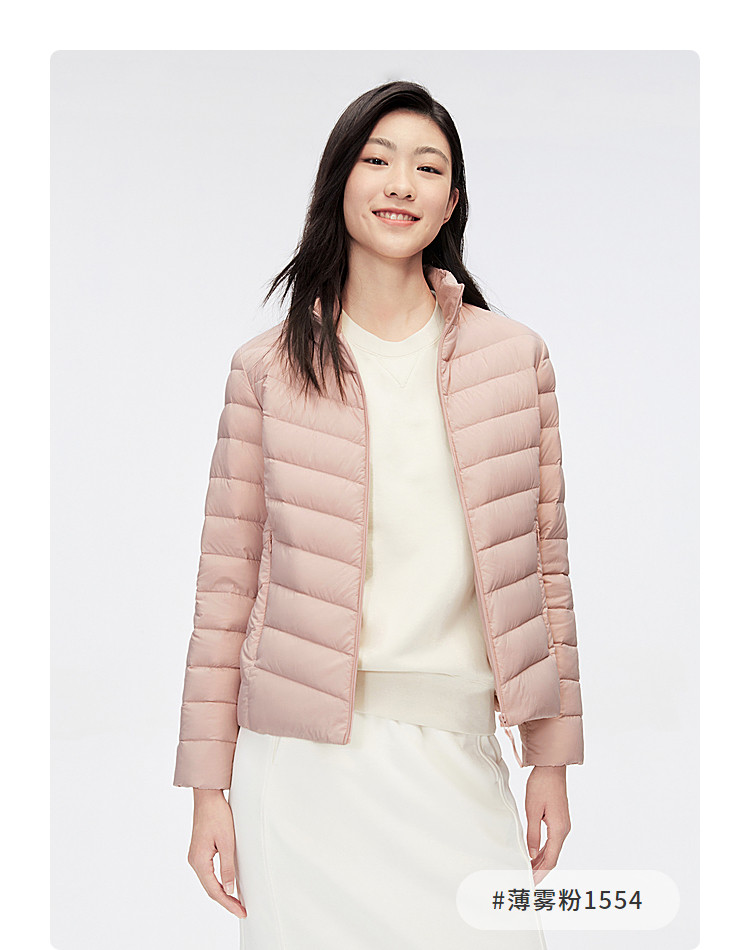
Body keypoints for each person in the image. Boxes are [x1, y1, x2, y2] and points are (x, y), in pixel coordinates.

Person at [173, 80, 584, 949]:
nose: (402, 184)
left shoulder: (515, 361)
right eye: (378, 160)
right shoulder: (266, 370)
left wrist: (550, 757)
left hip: (458, 754)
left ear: (451, 201)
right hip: (302, 772)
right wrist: (209, 786)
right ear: (340, 181)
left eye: (428, 168)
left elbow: (543, 569)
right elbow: (225, 587)